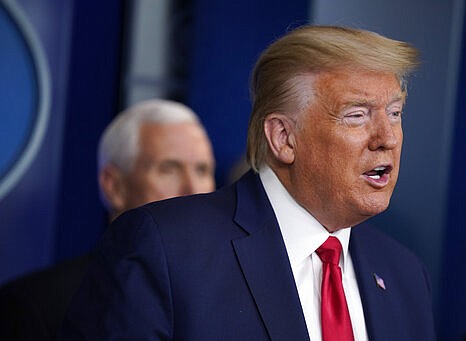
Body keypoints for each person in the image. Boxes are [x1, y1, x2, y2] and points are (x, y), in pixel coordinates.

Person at [60, 25, 436, 340]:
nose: (387, 137)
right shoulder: (165, 249)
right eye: (357, 115)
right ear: (284, 138)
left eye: (394, 113)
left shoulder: (404, 274)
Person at [0, 99, 215, 341]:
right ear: (114, 187)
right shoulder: (34, 307)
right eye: (169, 168)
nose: (193, 189)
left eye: (202, 170)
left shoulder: (233, 299)